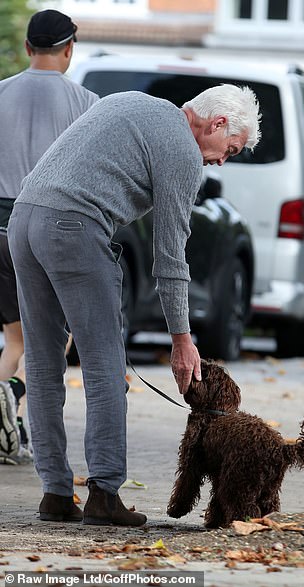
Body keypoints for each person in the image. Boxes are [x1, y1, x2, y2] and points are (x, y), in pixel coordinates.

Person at [8, 84, 261, 525]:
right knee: (106, 368)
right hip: (73, 227)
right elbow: (170, 256)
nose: (222, 160)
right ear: (217, 124)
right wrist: (182, 340)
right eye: (231, 150)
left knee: (44, 364)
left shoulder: (131, 102)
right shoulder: (183, 150)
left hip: (22, 219)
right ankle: (104, 493)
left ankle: (54, 492)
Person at [0, 9, 98, 464]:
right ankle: (15, 393)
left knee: (14, 339)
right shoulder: (86, 103)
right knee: (53, 336)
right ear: (69, 48)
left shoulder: (0, 93)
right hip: (44, 229)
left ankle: (7, 414)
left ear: (26, 48)